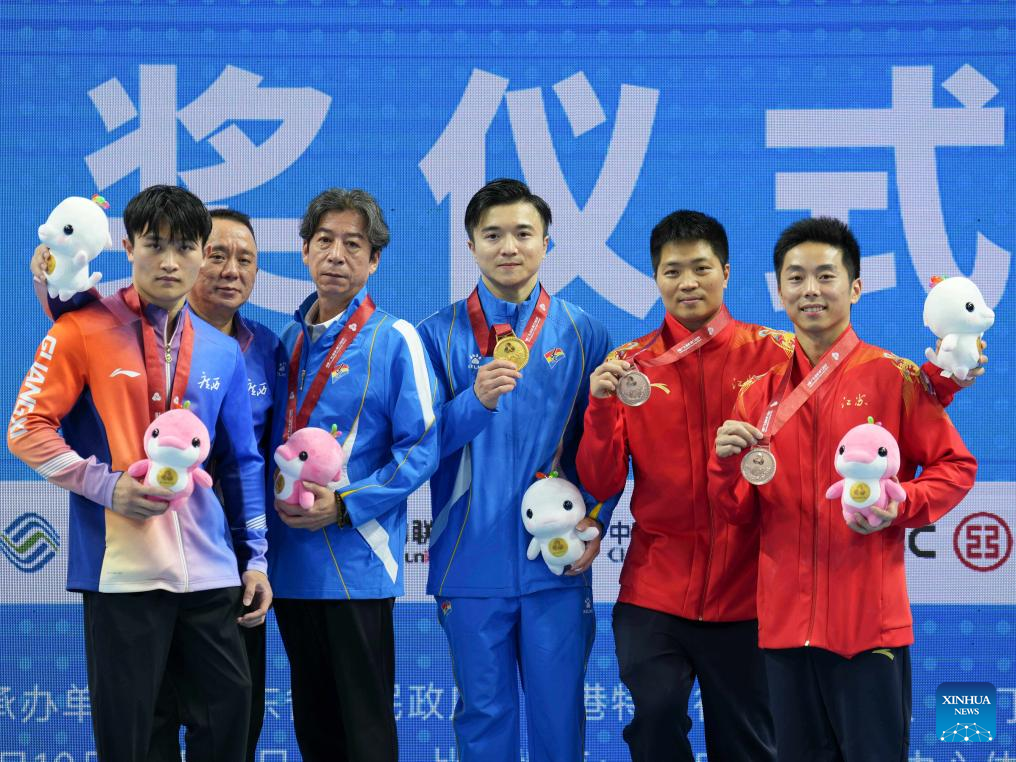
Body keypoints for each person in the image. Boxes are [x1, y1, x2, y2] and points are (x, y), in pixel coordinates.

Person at [9, 185, 268, 761]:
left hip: (211, 574)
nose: (170, 262)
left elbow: (242, 463)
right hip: (123, 572)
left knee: (229, 720)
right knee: (132, 739)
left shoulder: (222, 350)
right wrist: (107, 486)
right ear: (128, 247)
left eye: (185, 247)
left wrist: (256, 560)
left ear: (201, 254)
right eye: (155, 245)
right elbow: (26, 429)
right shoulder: (80, 329)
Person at [709, 216, 977, 761]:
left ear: (855, 287)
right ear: (778, 290)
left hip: (868, 627)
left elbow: (955, 466)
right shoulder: (756, 395)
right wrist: (725, 467)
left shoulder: (894, 377)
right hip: (784, 629)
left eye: (826, 276)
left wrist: (902, 502)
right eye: (796, 277)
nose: (811, 290)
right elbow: (738, 514)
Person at [417, 178, 616, 762]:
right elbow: (418, 446)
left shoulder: (583, 332)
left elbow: (603, 444)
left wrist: (596, 519)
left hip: (554, 561)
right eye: (493, 235)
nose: (509, 247)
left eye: (524, 233)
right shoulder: (435, 335)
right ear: (471, 246)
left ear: (547, 243)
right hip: (467, 559)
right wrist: (473, 402)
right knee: (484, 718)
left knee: (560, 719)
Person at [267, 188, 439, 762]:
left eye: (353, 244)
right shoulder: (286, 341)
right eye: (324, 241)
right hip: (291, 565)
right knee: (314, 729)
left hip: (357, 563)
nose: (336, 255)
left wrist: (345, 504)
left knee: (365, 732)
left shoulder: (394, 338)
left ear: (374, 260)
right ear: (304, 251)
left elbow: (422, 446)